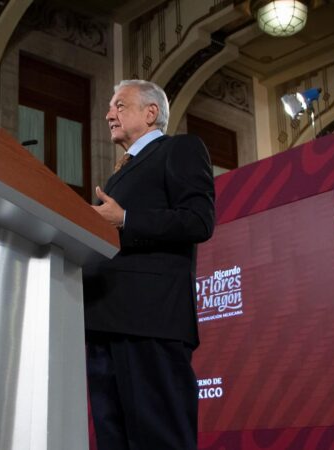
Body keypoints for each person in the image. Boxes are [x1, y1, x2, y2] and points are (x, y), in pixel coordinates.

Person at [83, 79, 215, 450]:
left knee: (160, 440)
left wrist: (126, 219)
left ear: (151, 112)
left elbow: (199, 220)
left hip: (151, 321)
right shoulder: (118, 174)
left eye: (120, 105)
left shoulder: (179, 149)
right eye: (110, 107)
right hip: (104, 323)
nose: (109, 113)